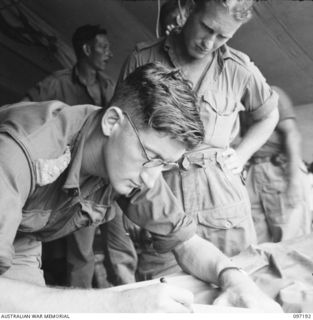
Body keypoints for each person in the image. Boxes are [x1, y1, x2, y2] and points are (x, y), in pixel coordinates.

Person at [0, 62, 281, 312]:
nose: (151, 179)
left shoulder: (133, 162)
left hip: (21, 238)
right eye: (152, 158)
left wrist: (235, 279)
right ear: (112, 122)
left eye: (164, 164)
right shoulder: (17, 152)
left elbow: (186, 242)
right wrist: (118, 303)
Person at [105, 0, 279, 283]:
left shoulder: (238, 69)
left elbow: (269, 115)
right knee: (165, 292)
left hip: (224, 203)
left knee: (240, 284)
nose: (209, 42)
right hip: (162, 195)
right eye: (207, 28)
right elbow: (119, 135)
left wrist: (242, 153)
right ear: (188, 11)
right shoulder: (143, 59)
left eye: (223, 36)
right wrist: (125, 205)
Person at [23, 24, 115, 288]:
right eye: (104, 47)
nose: (109, 53)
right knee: (82, 254)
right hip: (79, 183)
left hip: (111, 182)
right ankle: (80, 308)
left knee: (121, 249)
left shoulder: (109, 86)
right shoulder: (56, 84)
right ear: (87, 49)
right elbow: (23, 112)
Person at [244, 86, 312, 243]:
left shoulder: (271, 93)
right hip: (253, 170)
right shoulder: (239, 104)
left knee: (291, 239)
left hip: (279, 169)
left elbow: (292, 134)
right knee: (256, 239)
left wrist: (294, 181)